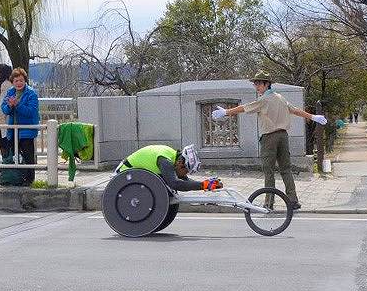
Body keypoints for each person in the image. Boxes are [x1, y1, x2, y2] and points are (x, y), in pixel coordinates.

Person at [211, 70, 328, 209]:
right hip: (283, 136)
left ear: (267, 84)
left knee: (269, 171)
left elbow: (245, 108)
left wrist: (226, 112)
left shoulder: (263, 100)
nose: (256, 86)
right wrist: (313, 117)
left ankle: (269, 203)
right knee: (286, 169)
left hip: (269, 137)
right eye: (255, 84)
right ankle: (293, 200)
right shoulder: (280, 98)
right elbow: (295, 110)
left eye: (259, 83)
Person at [116, 144, 223, 192]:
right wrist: (204, 185)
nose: (185, 174)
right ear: (181, 163)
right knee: (170, 185)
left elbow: (184, 181)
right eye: (186, 171)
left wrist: (206, 184)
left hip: (137, 176)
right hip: (124, 175)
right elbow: (176, 184)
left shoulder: (172, 157)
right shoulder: (165, 161)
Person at [0, 67, 40, 185]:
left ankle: (30, 179)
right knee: (13, 153)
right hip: (13, 128)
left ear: (25, 81)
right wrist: (10, 106)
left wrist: (17, 105)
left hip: (27, 129)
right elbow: (4, 109)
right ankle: (17, 177)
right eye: (16, 80)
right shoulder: (10, 92)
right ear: (12, 82)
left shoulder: (31, 93)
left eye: (21, 80)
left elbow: (31, 111)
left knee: (28, 154)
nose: (19, 83)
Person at [0, 64, 13, 157]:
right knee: (3, 139)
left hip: (6, 117)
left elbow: (3, 103)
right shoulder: (8, 83)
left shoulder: (5, 85)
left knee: (2, 139)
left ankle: (7, 162)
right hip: (8, 116)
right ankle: (7, 162)